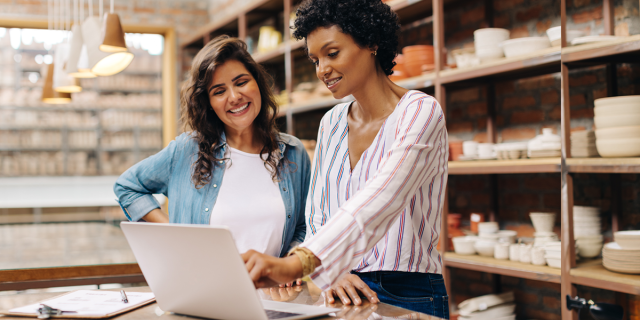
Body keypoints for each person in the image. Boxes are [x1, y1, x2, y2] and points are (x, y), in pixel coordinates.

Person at [241, 0, 449, 318]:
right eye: (315, 59)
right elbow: (319, 213)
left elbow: (382, 199)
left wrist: (300, 262)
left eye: (332, 53)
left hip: (409, 292)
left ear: (372, 43)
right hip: (340, 288)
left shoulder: (419, 112)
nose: (322, 69)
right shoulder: (332, 122)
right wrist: (332, 272)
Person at [114, 35, 311, 264]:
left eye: (241, 82)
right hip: (204, 295)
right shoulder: (187, 150)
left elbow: (304, 225)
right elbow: (127, 187)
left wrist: (289, 264)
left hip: (274, 298)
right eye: (219, 91)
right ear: (208, 102)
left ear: (258, 83)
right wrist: (174, 232)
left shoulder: (292, 152)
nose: (235, 97)